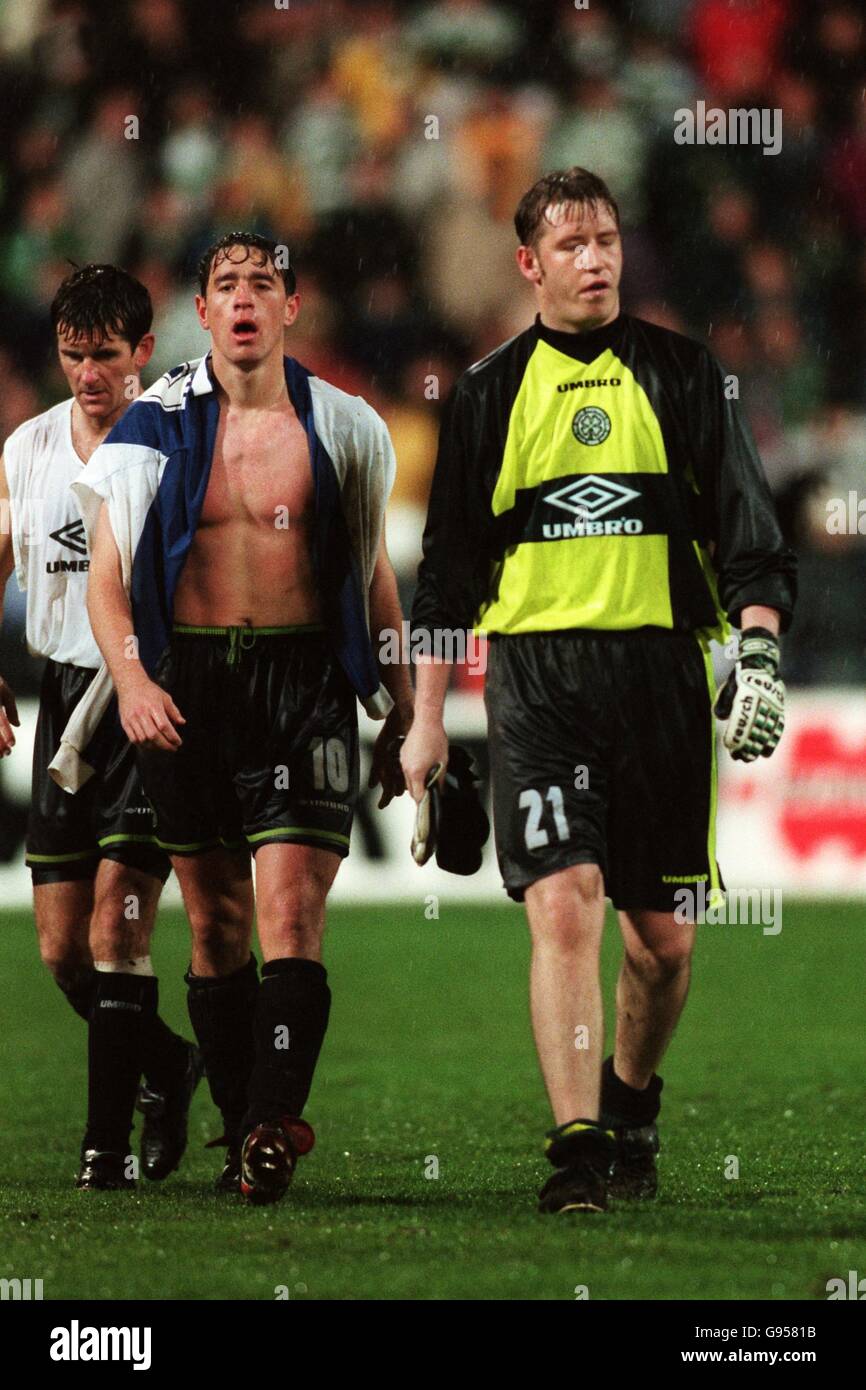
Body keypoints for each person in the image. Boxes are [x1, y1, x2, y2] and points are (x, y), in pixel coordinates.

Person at [402, 168, 796, 1214]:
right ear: (528, 265)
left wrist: (754, 649)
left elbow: (751, 542)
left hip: (660, 675)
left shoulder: (682, 374)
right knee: (563, 907)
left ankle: (628, 1103)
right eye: (570, 245)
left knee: (660, 942)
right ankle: (576, 1147)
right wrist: (426, 717)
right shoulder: (487, 391)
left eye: (606, 241)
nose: (594, 260)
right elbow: (445, 572)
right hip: (538, 680)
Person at [78, 234, 413, 1203]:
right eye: (224, 285)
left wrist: (396, 706)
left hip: (301, 683)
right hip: (189, 684)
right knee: (217, 927)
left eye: (260, 284)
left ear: (290, 307)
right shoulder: (150, 424)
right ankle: (241, 1128)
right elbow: (106, 579)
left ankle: (268, 1122)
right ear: (200, 309)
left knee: (291, 914)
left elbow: (374, 573)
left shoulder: (345, 425)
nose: (242, 300)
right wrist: (135, 682)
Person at [0, 264, 201, 1191]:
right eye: (75, 355)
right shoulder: (27, 450)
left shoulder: (173, 443)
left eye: (107, 357)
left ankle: (104, 1152)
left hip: (147, 699)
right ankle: (167, 1066)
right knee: (61, 950)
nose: (90, 374)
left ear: (143, 353)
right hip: (61, 695)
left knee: (121, 930)